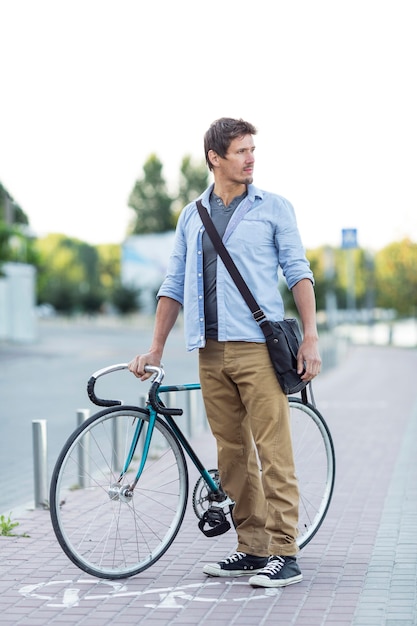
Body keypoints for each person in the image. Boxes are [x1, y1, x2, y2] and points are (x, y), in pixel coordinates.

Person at [128, 117, 321, 588]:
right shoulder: (191, 215)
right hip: (208, 352)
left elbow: (298, 272)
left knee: (273, 453)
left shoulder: (274, 208)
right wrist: (156, 347)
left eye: (253, 149)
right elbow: (173, 283)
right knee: (232, 455)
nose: (251, 158)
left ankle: (284, 553)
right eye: (241, 151)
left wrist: (312, 337)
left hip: (258, 349)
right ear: (215, 158)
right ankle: (252, 547)